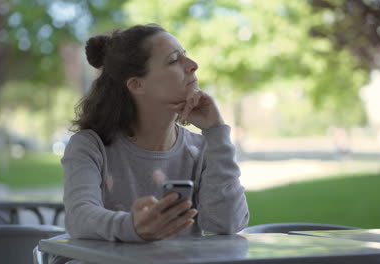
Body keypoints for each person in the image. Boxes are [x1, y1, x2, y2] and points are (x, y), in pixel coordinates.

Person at [62, 24, 249, 242]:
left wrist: (216, 132)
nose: (193, 66)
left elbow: (228, 223)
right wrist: (132, 226)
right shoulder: (89, 146)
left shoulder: (203, 148)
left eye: (186, 56)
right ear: (137, 84)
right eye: (173, 60)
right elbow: (78, 218)